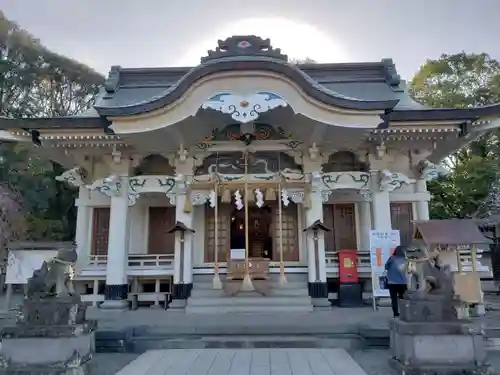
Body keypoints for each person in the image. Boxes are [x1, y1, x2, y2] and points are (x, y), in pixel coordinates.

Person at [384, 245, 408, 317]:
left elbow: (386, 267)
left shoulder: (391, 258)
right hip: (402, 282)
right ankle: (404, 313)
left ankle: (395, 314)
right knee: (403, 298)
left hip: (392, 282)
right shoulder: (405, 259)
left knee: (394, 299)